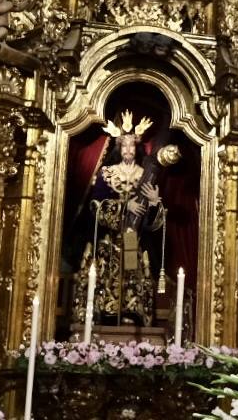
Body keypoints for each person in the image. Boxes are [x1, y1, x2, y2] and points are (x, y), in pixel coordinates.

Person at [72, 112, 166, 327]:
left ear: (137, 148)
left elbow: (152, 221)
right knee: (107, 275)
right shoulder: (108, 173)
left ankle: (130, 313)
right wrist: (125, 207)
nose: (128, 150)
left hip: (132, 238)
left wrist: (153, 203)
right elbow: (96, 205)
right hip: (109, 239)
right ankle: (104, 314)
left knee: (132, 272)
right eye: (124, 146)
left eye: (132, 146)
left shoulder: (144, 174)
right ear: (118, 148)